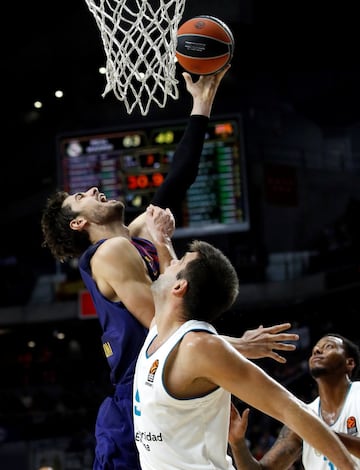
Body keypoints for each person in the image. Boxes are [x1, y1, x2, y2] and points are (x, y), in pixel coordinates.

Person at [41, 68, 299, 470]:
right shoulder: (108, 253)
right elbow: (163, 326)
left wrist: (202, 101)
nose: (92, 189)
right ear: (78, 223)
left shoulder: (136, 233)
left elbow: (178, 179)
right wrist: (237, 345)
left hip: (166, 380)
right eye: (80, 196)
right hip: (138, 393)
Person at [132, 234, 358, 470]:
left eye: (179, 261)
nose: (169, 262)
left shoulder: (199, 346)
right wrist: (161, 237)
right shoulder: (160, 330)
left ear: (179, 287)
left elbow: (289, 408)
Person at [228, 333, 360, 469]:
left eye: (328, 346)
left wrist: (319, 433)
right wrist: (238, 444)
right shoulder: (303, 417)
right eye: (315, 349)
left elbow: (312, 429)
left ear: (349, 363)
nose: (317, 351)